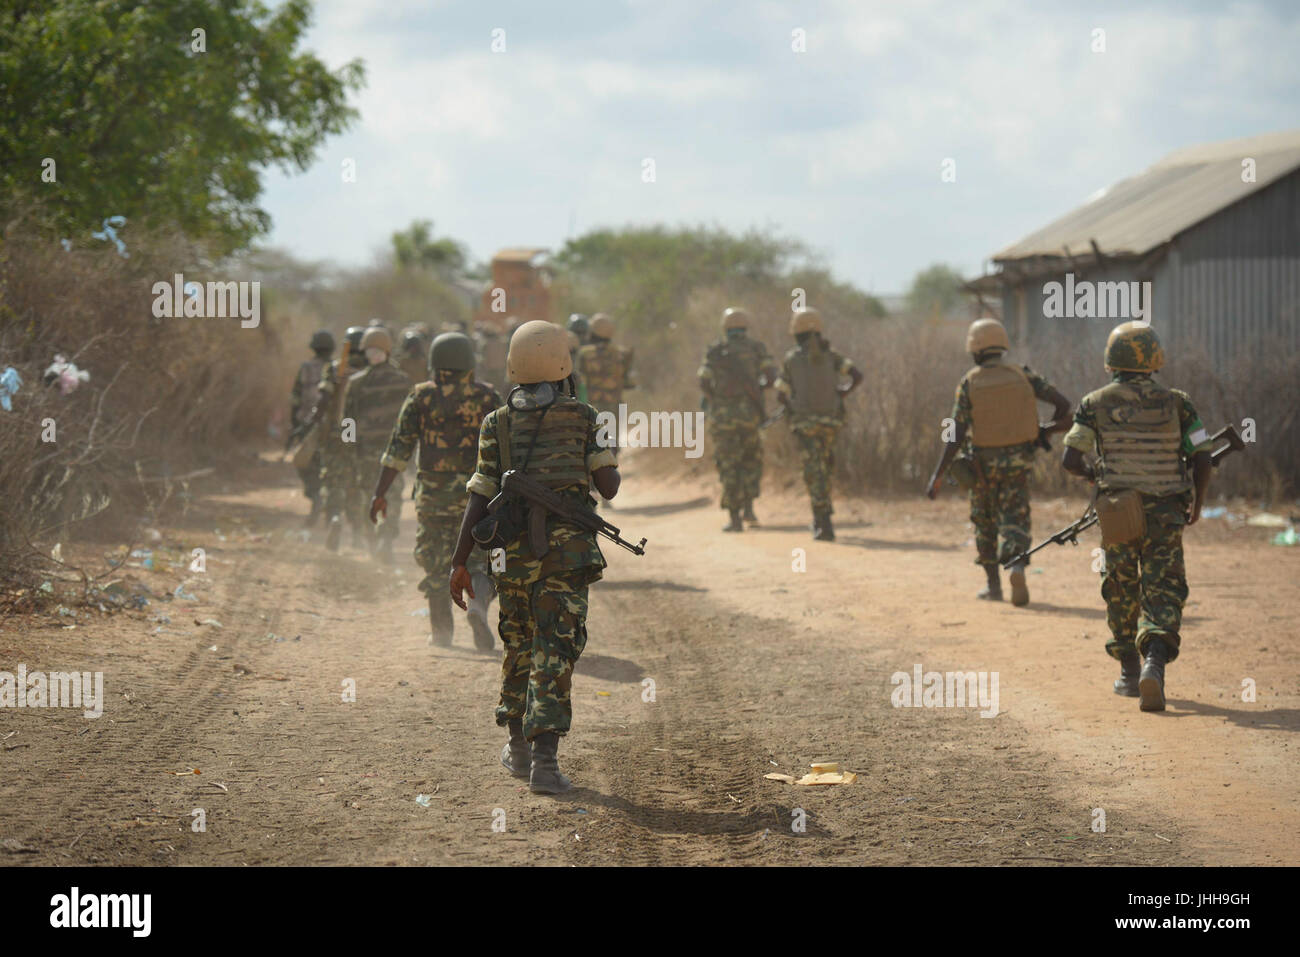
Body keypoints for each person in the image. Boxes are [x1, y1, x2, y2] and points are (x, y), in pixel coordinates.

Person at [448, 320, 620, 794]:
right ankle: (545, 763)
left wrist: (459, 562)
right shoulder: (585, 416)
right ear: (563, 363)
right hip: (565, 558)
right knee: (556, 648)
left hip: (508, 558)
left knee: (518, 642)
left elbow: (480, 495)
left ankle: (518, 751)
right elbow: (607, 488)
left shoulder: (496, 422)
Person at [1061, 322, 1213, 712]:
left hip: (1118, 512)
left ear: (1112, 361)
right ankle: (1154, 663)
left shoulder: (1094, 402)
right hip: (1166, 512)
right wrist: (1197, 502)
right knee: (1163, 586)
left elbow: (1070, 458)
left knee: (1121, 586)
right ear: (1155, 359)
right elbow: (1203, 455)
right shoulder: (1178, 403)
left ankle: (1130, 673)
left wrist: (1098, 473)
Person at [925, 318, 1072, 605]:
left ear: (975, 349)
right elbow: (1064, 405)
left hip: (982, 464)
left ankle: (993, 586)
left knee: (985, 520)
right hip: (1019, 461)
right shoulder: (1024, 375)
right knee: (1015, 517)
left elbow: (954, 432)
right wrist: (1045, 430)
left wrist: (938, 474)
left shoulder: (970, 382)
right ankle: (1017, 565)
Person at [370, 333, 502, 649]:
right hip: (479, 498)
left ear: (435, 362)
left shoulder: (421, 398)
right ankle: (478, 606)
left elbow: (397, 451)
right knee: (480, 558)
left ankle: (442, 633)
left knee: (435, 558)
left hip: (432, 498)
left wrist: (380, 493)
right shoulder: (488, 398)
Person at [773, 308, 863, 540]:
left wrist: (792, 407)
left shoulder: (792, 358)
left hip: (805, 424)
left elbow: (780, 393)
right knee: (824, 467)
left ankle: (823, 522)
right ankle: (822, 517)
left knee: (813, 472)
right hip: (831, 422)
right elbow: (857, 375)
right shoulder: (832, 356)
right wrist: (842, 392)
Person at [698, 306, 777, 531]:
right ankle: (749, 509)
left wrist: (717, 400)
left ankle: (734, 519)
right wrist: (756, 391)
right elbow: (772, 377)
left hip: (723, 418)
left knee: (728, 464)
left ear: (725, 326)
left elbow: (703, 381)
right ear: (745, 326)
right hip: (750, 415)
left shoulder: (715, 350)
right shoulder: (756, 348)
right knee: (750, 460)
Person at [342, 326, 413, 562]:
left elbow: (348, 421)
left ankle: (372, 541)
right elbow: (410, 419)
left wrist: (349, 449)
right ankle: (386, 537)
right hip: (395, 451)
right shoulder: (403, 381)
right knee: (392, 493)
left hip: (365, 451)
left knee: (368, 494)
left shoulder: (356, 382)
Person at [313, 325, 369, 552]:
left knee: (333, 481)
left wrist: (315, 422)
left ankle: (335, 518)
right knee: (355, 483)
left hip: (336, 434)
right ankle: (356, 533)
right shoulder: (368, 372)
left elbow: (323, 400)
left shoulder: (336, 368)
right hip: (358, 436)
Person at [288, 329, 334, 526]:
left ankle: (316, 498)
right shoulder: (336, 368)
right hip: (331, 427)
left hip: (307, 425)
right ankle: (328, 505)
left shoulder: (305, 368)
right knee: (329, 466)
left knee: (306, 464)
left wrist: (295, 425)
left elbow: (295, 398)